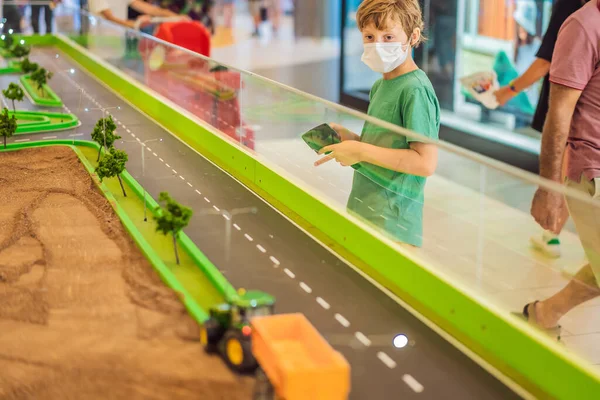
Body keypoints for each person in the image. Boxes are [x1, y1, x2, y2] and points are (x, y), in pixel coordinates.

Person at [314, 0, 440, 248]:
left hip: (393, 220)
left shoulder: (415, 90)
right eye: (369, 36)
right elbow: (386, 146)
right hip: (365, 207)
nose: (377, 45)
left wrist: (360, 151)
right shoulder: (380, 86)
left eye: (389, 36)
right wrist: (353, 140)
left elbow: (425, 162)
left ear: (413, 37)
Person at [526, 0, 600, 336]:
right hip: (592, 170)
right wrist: (549, 190)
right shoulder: (583, 26)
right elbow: (558, 116)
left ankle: (545, 313)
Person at [495, 0, 589, 259]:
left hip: (573, 100)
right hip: (584, 102)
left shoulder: (572, 6)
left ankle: (553, 232)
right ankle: (553, 232)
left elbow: (545, 61)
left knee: (568, 165)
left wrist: (509, 90)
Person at [87, 0, 184, 29]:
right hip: (99, 50)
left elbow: (150, 9)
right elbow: (109, 17)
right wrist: (135, 24)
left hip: (120, 49)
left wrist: (176, 17)